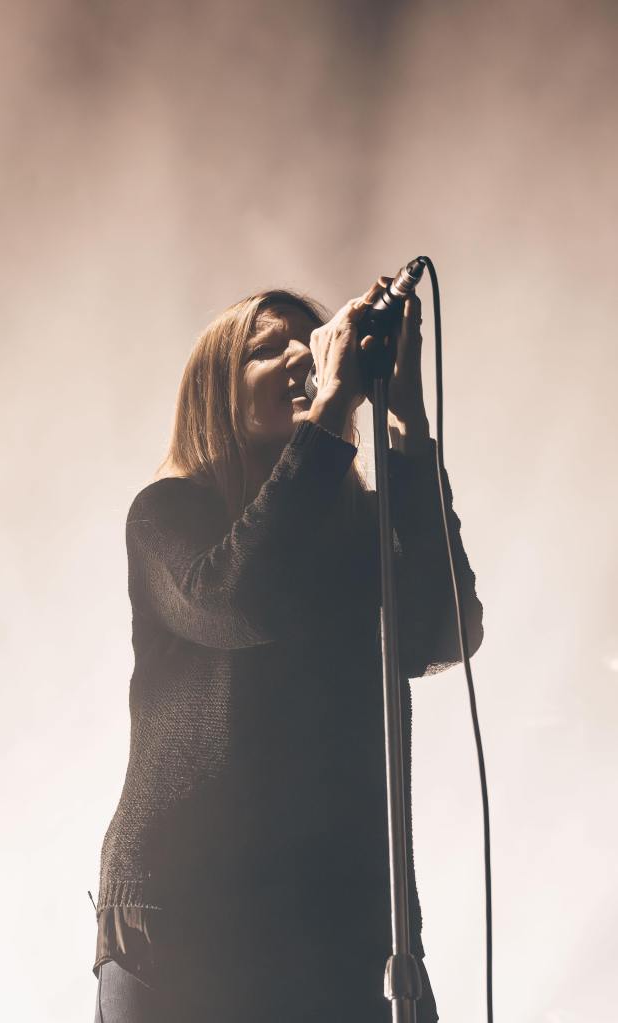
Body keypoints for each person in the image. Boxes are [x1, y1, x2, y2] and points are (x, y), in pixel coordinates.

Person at [91, 282, 484, 1022]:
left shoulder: (358, 529)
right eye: (268, 347)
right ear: (213, 388)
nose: (303, 353)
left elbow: (444, 630)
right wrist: (333, 410)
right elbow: (239, 597)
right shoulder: (169, 512)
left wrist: (406, 423)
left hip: (342, 918)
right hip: (188, 918)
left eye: (312, 339)